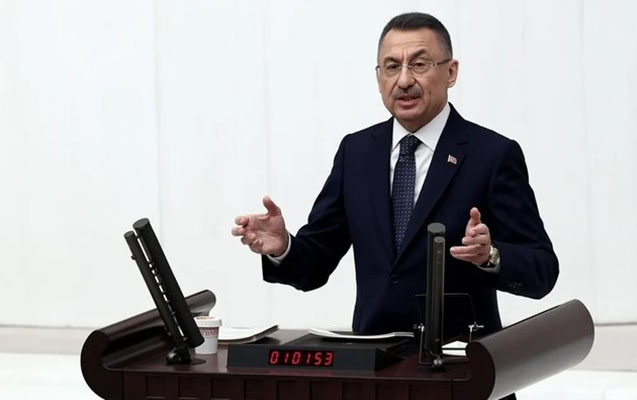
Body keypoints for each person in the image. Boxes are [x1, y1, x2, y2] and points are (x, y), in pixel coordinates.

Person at [232, 12, 558, 340]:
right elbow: (315, 264)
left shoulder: (492, 154)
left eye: (419, 64)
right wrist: (283, 247)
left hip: (461, 361)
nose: (403, 81)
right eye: (391, 67)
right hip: (374, 359)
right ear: (378, 78)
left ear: (451, 72)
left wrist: (490, 256)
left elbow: (542, 270)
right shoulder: (356, 152)